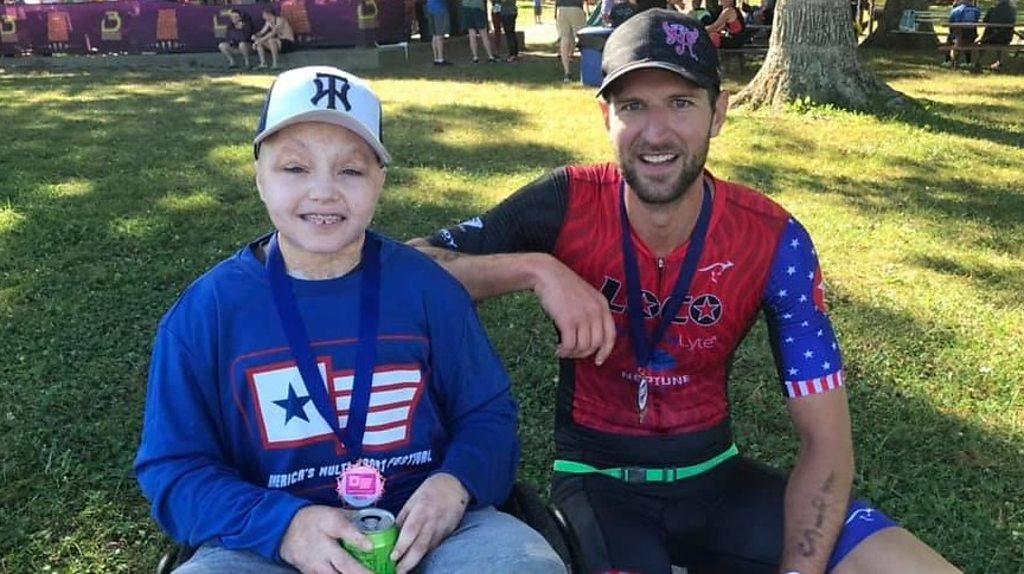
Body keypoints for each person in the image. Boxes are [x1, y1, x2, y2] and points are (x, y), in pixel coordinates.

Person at [409, 11, 963, 574]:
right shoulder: (566, 200)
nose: (655, 133)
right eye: (633, 106)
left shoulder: (774, 239)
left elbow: (827, 446)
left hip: (718, 480)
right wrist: (535, 270)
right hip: (601, 485)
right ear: (606, 116)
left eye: (681, 103)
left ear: (718, 114)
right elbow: (413, 266)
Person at [134, 66, 566, 574]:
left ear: (380, 181)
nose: (323, 192)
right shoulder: (206, 313)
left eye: (351, 171)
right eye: (295, 169)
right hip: (267, 537)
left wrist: (456, 485)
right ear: (259, 179)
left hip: (428, 527)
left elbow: (488, 415)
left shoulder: (427, 289)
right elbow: (174, 468)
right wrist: (284, 526)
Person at [972, 0, 1017, 72]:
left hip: (991, 37)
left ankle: (978, 61)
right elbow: (1012, 22)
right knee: (999, 40)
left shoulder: (993, 9)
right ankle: (1000, 61)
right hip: (1006, 37)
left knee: (986, 39)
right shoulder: (1012, 11)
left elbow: (985, 20)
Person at [555, 0, 587, 82]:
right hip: (576, 8)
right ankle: (587, 68)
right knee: (583, 38)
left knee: (564, 39)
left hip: (561, 8)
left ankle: (567, 72)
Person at [945, 0, 981, 68]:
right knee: (967, 41)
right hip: (971, 37)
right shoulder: (976, 11)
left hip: (959, 38)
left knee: (950, 38)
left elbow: (950, 24)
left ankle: (948, 60)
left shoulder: (956, 10)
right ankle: (968, 61)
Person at [425, 0, 451, 65]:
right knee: (439, 34)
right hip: (439, 9)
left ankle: (436, 58)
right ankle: (440, 58)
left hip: (430, 8)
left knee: (434, 35)